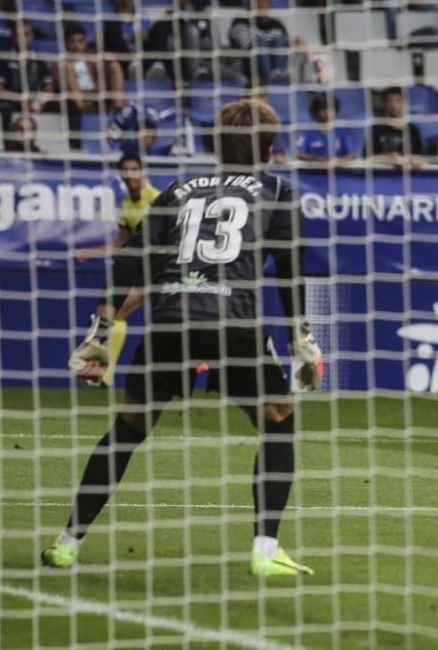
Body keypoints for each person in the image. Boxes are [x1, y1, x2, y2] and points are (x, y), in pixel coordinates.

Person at [44, 98, 323, 577]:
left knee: (129, 428)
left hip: (170, 320)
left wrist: (101, 330)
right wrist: (301, 335)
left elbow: (132, 259)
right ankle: (264, 550)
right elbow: (290, 268)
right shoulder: (278, 191)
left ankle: (66, 543)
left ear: (215, 145)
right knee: (278, 417)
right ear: (271, 148)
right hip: (232, 323)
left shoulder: (177, 189)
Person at [68, 153, 163, 384]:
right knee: (118, 312)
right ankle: (103, 376)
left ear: (142, 171)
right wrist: (90, 252)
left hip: (163, 267)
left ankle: (103, 375)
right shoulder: (127, 203)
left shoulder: (156, 198)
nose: (131, 174)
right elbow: (123, 241)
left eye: (134, 169)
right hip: (143, 268)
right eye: (126, 170)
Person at [62, 24, 126, 149]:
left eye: (80, 41)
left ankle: (117, 111)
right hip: (76, 109)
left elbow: (97, 85)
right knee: (69, 67)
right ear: (66, 44)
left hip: (100, 103)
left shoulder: (92, 62)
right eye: (72, 42)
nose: (76, 46)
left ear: (85, 43)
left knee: (113, 64)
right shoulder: (63, 65)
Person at [0, 21, 56, 129]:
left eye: (26, 35)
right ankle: (8, 143)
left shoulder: (41, 61)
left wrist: (39, 101)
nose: (22, 39)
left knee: (56, 106)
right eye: (18, 35)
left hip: (34, 100)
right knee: (4, 108)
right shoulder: (3, 61)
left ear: (32, 37)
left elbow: (49, 88)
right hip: (11, 101)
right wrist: (21, 99)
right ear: (13, 37)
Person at [229, 0, 291, 84]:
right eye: (258, 1)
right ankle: (270, 80)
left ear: (269, 4)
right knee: (259, 40)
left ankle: (279, 78)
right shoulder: (240, 22)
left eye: (265, 2)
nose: (261, 5)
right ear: (249, 4)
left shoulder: (277, 25)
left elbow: (287, 49)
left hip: (276, 65)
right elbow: (247, 47)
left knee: (279, 40)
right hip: (249, 68)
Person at [367, 86, 425, 167]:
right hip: (382, 176)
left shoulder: (413, 130)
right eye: (389, 101)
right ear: (384, 104)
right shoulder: (376, 128)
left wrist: (411, 161)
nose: (393, 104)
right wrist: (389, 158)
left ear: (404, 103)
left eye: (397, 100)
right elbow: (368, 158)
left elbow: (420, 157)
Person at [296, 92, 358, 163]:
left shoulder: (342, 131)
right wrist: (316, 160)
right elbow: (298, 154)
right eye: (323, 109)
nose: (327, 113)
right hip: (313, 171)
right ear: (316, 111)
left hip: (338, 171)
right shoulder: (307, 131)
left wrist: (336, 162)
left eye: (331, 109)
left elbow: (352, 155)